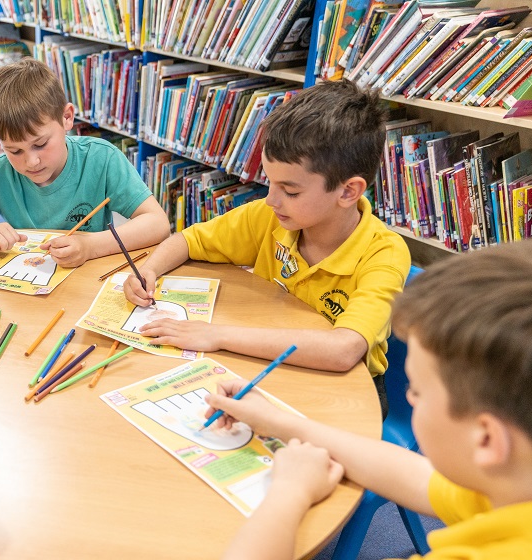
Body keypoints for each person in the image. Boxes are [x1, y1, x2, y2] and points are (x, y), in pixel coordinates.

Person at [205, 241, 532, 560]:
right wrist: (281, 422)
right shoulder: (524, 484)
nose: (409, 397)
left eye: (416, 392)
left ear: (486, 440)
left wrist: (290, 489)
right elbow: (417, 476)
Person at [124, 80, 410, 412]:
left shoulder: (383, 253)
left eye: (290, 190)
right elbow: (189, 241)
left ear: (348, 192)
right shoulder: (271, 216)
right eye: (269, 182)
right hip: (269, 363)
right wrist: (149, 269)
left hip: (349, 391)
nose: (271, 199)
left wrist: (216, 335)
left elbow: (343, 350)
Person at [0, 58, 169, 267]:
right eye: (14, 150)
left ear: (67, 118)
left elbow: (157, 223)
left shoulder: (101, 158)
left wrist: (91, 247)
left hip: (85, 280)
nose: (31, 161)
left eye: (40, 144)